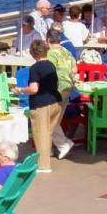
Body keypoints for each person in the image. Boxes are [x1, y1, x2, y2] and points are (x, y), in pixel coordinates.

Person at [14, 40, 64, 173]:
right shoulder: (51, 65)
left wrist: (20, 90)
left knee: (40, 135)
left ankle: (43, 165)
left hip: (41, 104)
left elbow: (34, 89)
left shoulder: (35, 68)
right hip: (56, 102)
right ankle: (46, 157)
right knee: (48, 133)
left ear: (32, 53)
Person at [45, 29, 76, 159]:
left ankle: (63, 144)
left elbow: (49, 72)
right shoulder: (66, 51)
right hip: (68, 87)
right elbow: (74, 69)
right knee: (55, 119)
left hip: (57, 89)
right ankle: (52, 147)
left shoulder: (51, 53)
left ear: (47, 41)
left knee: (50, 119)